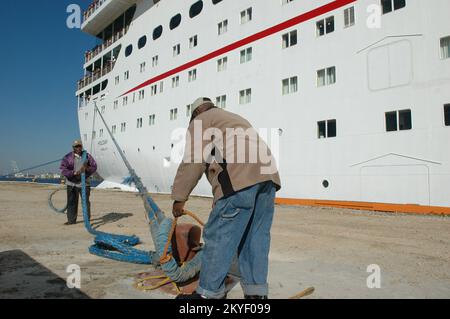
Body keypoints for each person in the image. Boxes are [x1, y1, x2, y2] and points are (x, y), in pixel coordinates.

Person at [172, 97, 281, 299]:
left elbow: (194, 159)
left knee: (219, 236)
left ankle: (207, 296)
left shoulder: (201, 120)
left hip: (240, 178)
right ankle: (256, 295)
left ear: (195, 114)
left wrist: (179, 197)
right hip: (268, 177)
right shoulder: (232, 118)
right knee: (255, 238)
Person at [60, 140, 97, 225]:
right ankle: (71, 221)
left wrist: (87, 168)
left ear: (82, 147)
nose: (78, 148)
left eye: (79, 146)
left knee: (86, 203)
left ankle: (87, 221)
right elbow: (63, 170)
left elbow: (94, 166)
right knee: (72, 202)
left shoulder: (87, 156)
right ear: (73, 147)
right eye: (76, 146)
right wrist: (74, 173)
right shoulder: (67, 157)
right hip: (71, 184)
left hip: (84, 183)